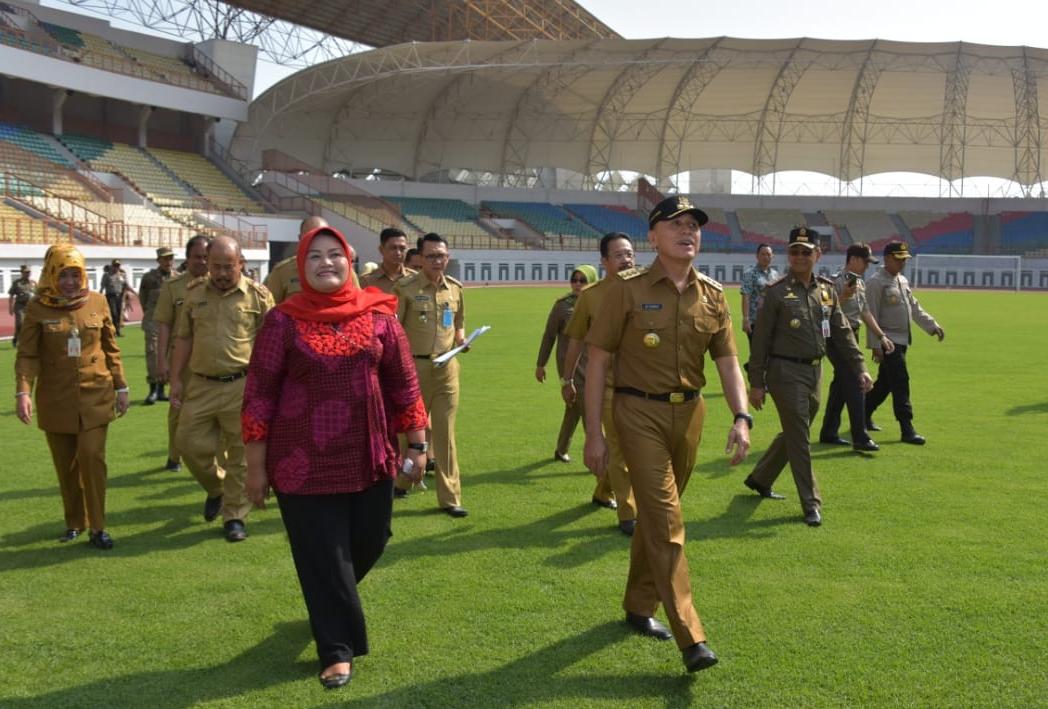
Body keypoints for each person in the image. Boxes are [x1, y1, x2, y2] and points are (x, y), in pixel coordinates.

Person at [243, 226, 428, 690]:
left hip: (370, 454)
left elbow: (404, 385)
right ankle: (337, 649)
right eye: (315, 257)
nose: (326, 263)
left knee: (372, 539)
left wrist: (419, 445)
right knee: (324, 554)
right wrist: (254, 466)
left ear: (350, 261)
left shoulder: (381, 317)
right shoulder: (282, 321)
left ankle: (328, 604)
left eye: (335, 255)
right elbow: (260, 395)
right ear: (300, 267)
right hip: (300, 464)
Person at [583, 195, 751, 673]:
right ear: (652, 236)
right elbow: (596, 360)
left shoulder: (714, 295)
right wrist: (594, 433)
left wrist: (742, 416)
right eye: (675, 224)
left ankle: (638, 606)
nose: (687, 232)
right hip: (637, 412)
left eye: (694, 225)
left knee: (657, 521)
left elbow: (727, 361)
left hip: (689, 414)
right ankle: (691, 636)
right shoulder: (626, 289)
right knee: (668, 520)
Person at [744, 228, 873, 527]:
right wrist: (757, 383)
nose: (800, 257)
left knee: (794, 430)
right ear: (788, 254)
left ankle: (760, 477)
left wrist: (860, 368)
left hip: (814, 371)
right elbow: (760, 340)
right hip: (783, 372)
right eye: (794, 251)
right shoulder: (775, 292)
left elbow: (841, 332)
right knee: (801, 436)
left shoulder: (826, 291)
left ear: (818, 254)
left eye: (806, 251)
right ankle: (811, 503)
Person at [14, 244, 129, 550]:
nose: (69, 282)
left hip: (96, 393)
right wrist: (23, 391)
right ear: (51, 274)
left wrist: (121, 387)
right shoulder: (38, 307)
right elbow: (27, 354)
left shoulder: (98, 302)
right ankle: (75, 522)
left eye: (75, 275)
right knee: (66, 466)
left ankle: (99, 527)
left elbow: (110, 348)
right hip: (56, 398)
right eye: (63, 275)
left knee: (92, 458)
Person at [170, 236, 274, 542]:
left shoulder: (258, 296)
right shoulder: (195, 294)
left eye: (228, 266)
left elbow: (271, 344)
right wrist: (175, 378)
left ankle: (235, 517)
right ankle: (216, 488)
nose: (221, 272)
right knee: (187, 443)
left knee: (241, 453)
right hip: (200, 384)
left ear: (241, 264)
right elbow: (184, 338)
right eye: (215, 266)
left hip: (242, 385)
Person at [561, 233, 637, 535]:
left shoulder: (646, 290)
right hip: (606, 386)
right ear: (604, 261)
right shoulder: (590, 297)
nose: (626, 259)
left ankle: (603, 491)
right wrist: (567, 379)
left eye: (630, 253)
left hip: (643, 385)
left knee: (631, 448)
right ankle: (629, 513)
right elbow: (575, 342)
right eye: (619, 255)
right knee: (619, 447)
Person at [392, 233, 468, 517]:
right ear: (421, 258)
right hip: (414, 369)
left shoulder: (456, 289)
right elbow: (395, 331)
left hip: (447, 369)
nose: (438, 261)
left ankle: (450, 498)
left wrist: (461, 340)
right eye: (432, 256)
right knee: (409, 431)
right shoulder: (406, 289)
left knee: (446, 434)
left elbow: (459, 323)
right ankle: (403, 479)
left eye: (442, 256)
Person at [864, 241, 945, 445]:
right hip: (887, 341)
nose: (902, 263)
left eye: (904, 259)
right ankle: (906, 428)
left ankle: (862, 413)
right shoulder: (876, 282)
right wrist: (875, 345)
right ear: (887, 258)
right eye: (899, 259)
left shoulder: (901, 280)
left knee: (885, 383)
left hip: (902, 340)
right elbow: (870, 314)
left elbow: (914, 307)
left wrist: (931, 325)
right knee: (901, 381)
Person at [818, 243, 895, 451]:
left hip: (853, 333)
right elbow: (823, 312)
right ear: (853, 259)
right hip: (836, 336)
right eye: (865, 262)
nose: (867, 267)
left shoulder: (860, 284)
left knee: (842, 385)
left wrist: (881, 336)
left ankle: (828, 431)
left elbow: (865, 312)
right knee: (856, 382)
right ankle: (860, 436)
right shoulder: (831, 283)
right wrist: (842, 296)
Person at [155, 235, 211, 472]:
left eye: (206, 257)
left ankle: (212, 461)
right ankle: (174, 456)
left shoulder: (218, 286)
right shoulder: (173, 287)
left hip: (210, 360)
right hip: (182, 361)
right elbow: (164, 325)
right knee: (178, 410)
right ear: (187, 259)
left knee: (214, 413)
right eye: (197, 257)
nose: (202, 262)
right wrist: (161, 361)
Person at [535, 265, 598, 463]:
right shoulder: (563, 306)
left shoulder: (601, 304)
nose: (577, 284)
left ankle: (561, 449)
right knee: (588, 406)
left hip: (595, 363)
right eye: (574, 280)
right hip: (570, 365)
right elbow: (549, 335)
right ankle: (597, 455)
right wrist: (540, 364)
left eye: (583, 280)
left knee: (574, 407)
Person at [265, 217, 358, 303]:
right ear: (300, 238)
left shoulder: (344, 270)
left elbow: (356, 299)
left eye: (322, 235)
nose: (318, 240)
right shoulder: (282, 271)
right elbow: (269, 305)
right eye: (310, 235)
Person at [138, 247, 176, 405]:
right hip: (153, 321)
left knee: (169, 355)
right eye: (165, 258)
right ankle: (153, 389)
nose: (168, 261)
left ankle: (162, 389)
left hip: (172, 322)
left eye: (171, 258)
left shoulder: (178, 278)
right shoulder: (149, 278)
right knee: (153, 354)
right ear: (158, 260)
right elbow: (143, 298)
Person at [739, 243, 780, 341]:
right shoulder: (750, 274)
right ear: (757, 256)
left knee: (772, 353)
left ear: (772, 256)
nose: (766, 257)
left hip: (772, 321)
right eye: (763, 254)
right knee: (757, 353)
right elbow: (746, 296)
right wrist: (746, 319)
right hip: (756, 321)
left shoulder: (775, 274)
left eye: (768, 254)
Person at [359, 227, 416, 294]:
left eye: (402, 248)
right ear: (381, 249)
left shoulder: (415, 279)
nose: (398, 253)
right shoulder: (367, 281)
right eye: (393, 248)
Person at [99, 259, 135, 336]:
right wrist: (99, 296)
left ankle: (118, 331)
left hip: (119, 297)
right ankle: (113, 331)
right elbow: (102, 287)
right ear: (112, 266)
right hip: (110, 296)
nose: (116, 267)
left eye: (118, 266)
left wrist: (135, 293)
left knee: (118, 314)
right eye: (115, 265)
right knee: (113, 313)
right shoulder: (107, 275)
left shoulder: (122, 275)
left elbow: (127, 286)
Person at [8, 264, 36, 347]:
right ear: (22, 273)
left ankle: (24, 340)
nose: (28, 274)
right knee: (20, 323)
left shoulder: (33, 283)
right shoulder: (17, 283)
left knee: (30, 324)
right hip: (20, 306)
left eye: (29, 272)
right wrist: (10, 307)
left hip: (30, 306)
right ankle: (17, 339)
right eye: (26, 272)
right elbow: (11, 295)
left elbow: (38, 295)